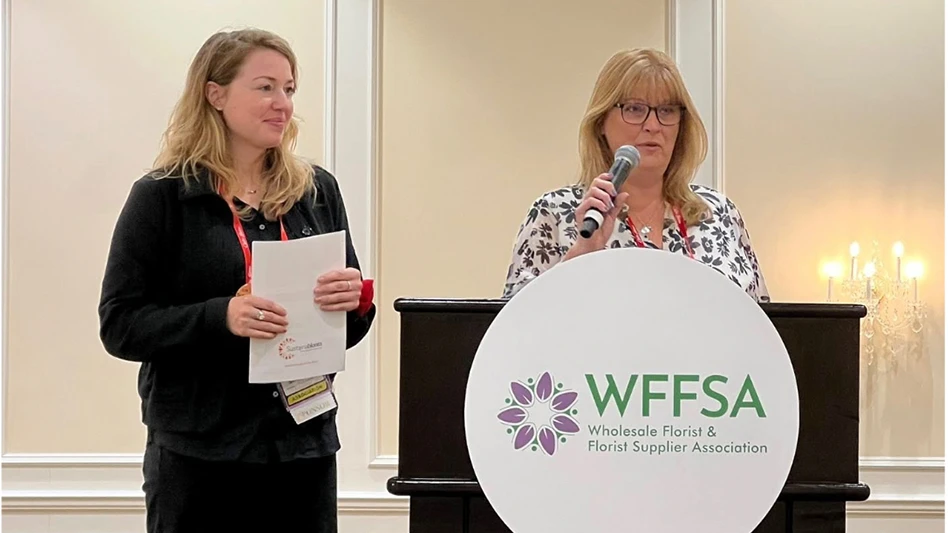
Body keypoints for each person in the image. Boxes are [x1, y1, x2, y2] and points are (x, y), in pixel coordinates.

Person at [97, 28, 376, 533]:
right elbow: (120, 324)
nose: (282, 104)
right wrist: (220, 317)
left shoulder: (317, 192)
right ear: (216, 94)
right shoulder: (162, 197)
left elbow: (349, 328)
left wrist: (353, 304)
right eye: (265, 87)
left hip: (302, 444)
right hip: (200, 452)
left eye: (289, 89)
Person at [503, 48, 769, 302]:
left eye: (666, 111)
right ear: (601, 124)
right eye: (634, 109)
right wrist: (579, 257)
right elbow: (513, 329)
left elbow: (765, 322)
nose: (653, 126)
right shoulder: (555, 213)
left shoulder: (718, 213)